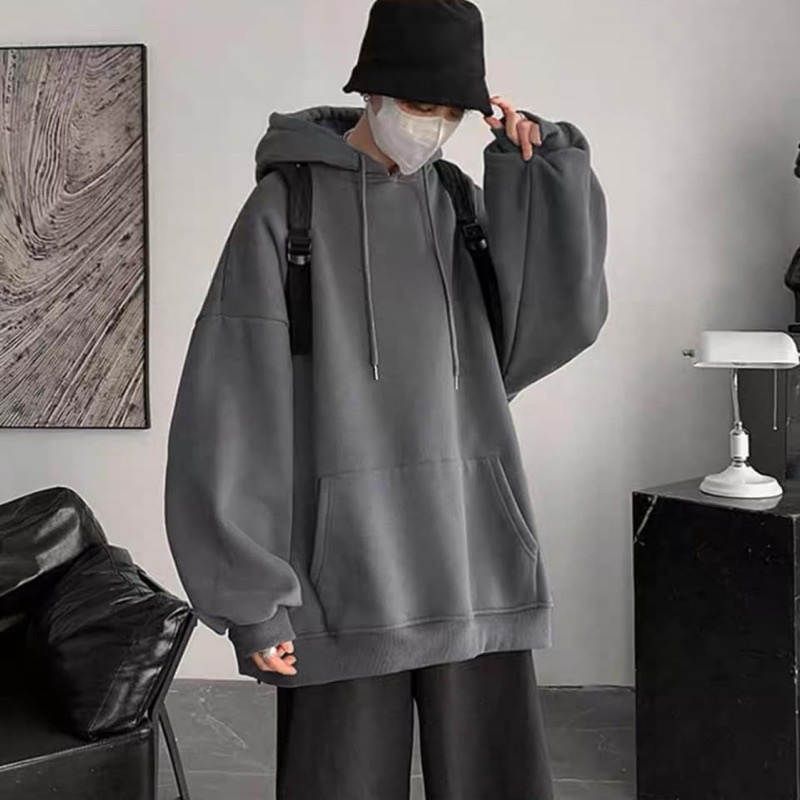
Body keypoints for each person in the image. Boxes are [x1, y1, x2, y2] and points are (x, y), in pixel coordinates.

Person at [164, 0, 608, 797]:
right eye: (420, 104)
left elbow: (550, 331)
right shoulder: (284, 213)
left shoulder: (459, 203)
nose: (433, 127)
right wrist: (254, 601)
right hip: (344, 583)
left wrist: (543, 178)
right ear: (372, 90)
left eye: (451, 113)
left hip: (471, 563)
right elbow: (229, 410)